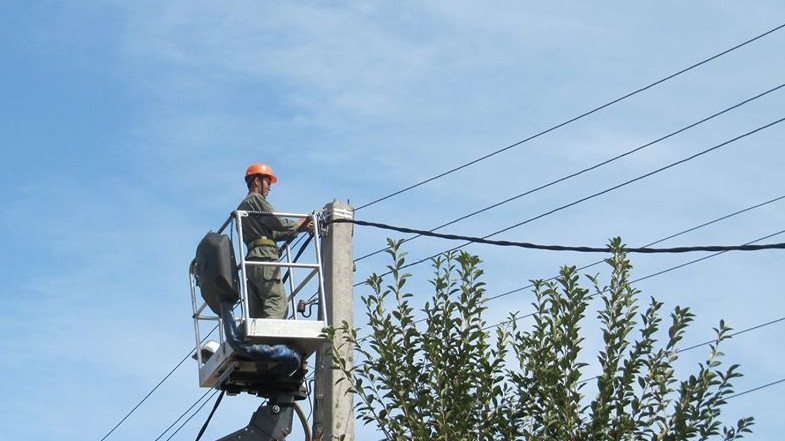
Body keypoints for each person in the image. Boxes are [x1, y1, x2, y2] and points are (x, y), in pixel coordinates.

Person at [238, 163, 313, 319]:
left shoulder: (244, 208)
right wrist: (297, 224)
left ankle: (257, 341)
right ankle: (272, 341)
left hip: (253, 260)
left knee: (258, 311)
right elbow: (275, 221)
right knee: (277, 303)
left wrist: (299, 228)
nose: (270, 187)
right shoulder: (255, 200)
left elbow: (273, 233)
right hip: (265, 258)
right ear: (257, 181)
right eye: (268, 182)